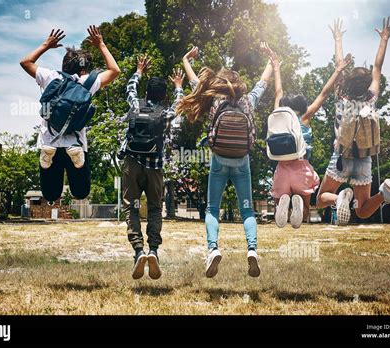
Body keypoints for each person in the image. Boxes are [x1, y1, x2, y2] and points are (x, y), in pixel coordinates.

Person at [177, 44, 274, 278]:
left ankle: (213, 249)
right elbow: (263, 81)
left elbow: (193, 81)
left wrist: (185, 59)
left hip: (219, 159)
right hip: (242, 160)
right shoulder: (248, 101)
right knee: (248, 209)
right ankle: (251, 250)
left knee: (212, 208)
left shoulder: (214, 101)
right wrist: (271, 58)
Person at [316, 18, 390, 224]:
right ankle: (384, 194)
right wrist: (384, 39)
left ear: (348, 81)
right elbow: (377, 66)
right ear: (368, 84)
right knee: (362, 210)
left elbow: (338, 63)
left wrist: (338, 38)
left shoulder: (340, 95)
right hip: (365, 157)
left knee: (322, 199)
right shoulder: (372, 97)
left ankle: (339, 198)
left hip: (341, 156)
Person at [20, 26, 120, 202]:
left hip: (49, 141)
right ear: (84, 70)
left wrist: (46, 44)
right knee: (80, 192)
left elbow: (25, 62)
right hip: (76, 143)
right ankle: (78, 161)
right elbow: (114, 71)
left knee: (51, 194)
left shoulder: (51, 77)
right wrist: (101, 44)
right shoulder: (87, 82)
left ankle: (46, 158)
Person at [262, 43, 352, 228]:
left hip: (281, 168)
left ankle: (283, 202)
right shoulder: (304, 116)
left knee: (280, 203)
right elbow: (324, 93)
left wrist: (276, 66)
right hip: (301, 168)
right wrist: (337, 70)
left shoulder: (279, 112)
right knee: (303, 212)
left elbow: (278, 91)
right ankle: (297, 204)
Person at [118, 55, 185, 280]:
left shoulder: (136, 105)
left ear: (146, 94)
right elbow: (180, 104)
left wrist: (138, 71)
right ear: (164, 96)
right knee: (155, 208)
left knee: (131, 208)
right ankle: (153, 250)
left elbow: (129, 87)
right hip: (155, 166)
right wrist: (178, 86)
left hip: (131, 163)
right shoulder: (166, 114)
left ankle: (138, 251)